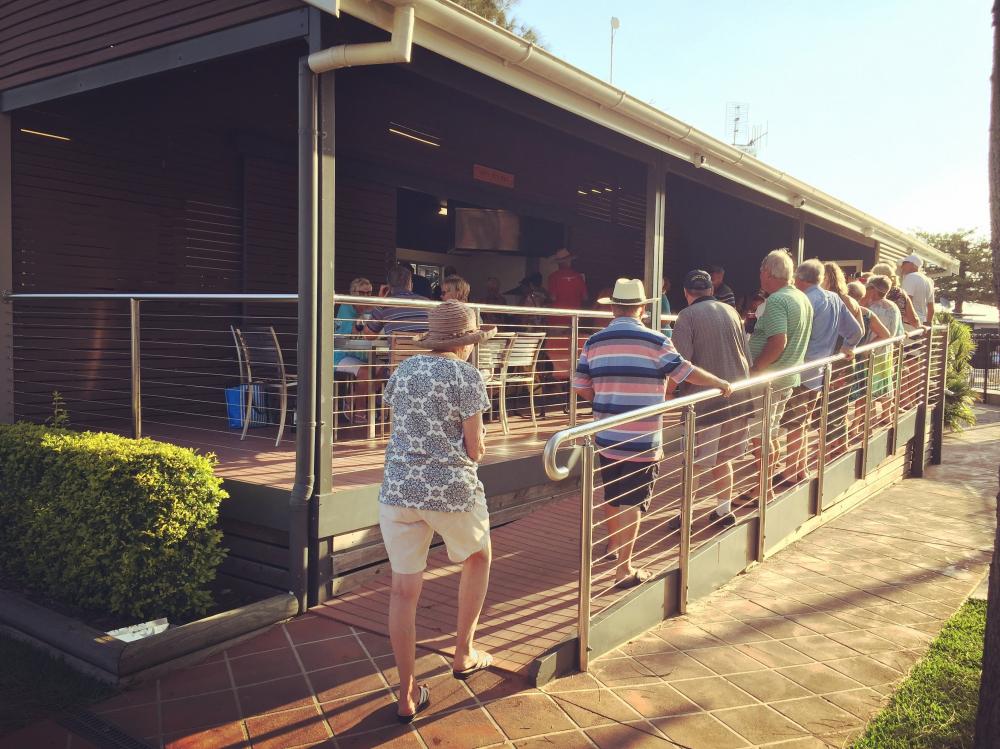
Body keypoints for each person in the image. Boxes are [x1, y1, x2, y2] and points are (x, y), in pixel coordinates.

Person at [378, 301, 497, 722]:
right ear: (466, 342)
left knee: (402, 591)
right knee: (478, 556)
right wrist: (478, 452)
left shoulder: (406, 369)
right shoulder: (467, 375)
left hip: (397, 491)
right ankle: (463, 652)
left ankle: (406, 695)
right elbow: (474, 446)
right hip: (449, 491)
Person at [573, 278, 733, 588]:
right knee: (634, 499)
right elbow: (684, 371)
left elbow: (581, 386)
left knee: (612, 493)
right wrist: (719, 383)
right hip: (642, 438)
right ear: (642, 309)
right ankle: (624, 567)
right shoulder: (656, 341)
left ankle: (614, 547)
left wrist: (605, 404)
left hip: (606, 435)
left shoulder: (594, 342)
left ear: (613, 309)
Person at [671, 270, 751, 528]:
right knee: (723, 459)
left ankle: (686, 517)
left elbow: (679, 364)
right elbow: (747, 359)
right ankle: (723, 510)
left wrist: (665, 395)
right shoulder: (732, 313)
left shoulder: (687, 316)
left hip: (703, 403)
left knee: (693, 463)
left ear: (686, 293)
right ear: (711, 290)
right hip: (739, 398)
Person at [782, 260, 862, 485]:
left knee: (795, 424)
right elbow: (856, 331)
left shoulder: (805, 300)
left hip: (802, 370)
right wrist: (848, 348)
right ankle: (800, 468)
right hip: (821, 371)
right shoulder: (835, 298)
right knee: (805, 422)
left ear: (799, 279)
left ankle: (790, 472)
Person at [747, 249, 813, 502]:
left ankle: (762, 489)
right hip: (786, 378)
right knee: (769, 434)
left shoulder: (776, 301)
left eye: (761, 271)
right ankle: (765, 487)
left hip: (769, 381)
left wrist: (756, 369)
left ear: (767, 272)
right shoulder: (801, 297)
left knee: (760, 437)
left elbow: (778, 341)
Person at [861, 276, 903, 426]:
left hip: (870, 352)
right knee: (886, 384)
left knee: (868, 387)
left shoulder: (871, 308)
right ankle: (887, 415)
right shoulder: (894, 307)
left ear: (872, 289)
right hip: (887, 352)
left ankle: (870, 420)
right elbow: (898, 332)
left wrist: (866, 348)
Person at [334, 277, 375, 423]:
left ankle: (351, 398)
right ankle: (359, 408)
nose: (366, 297)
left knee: (383, 370)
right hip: (340, 355)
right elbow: (353, 331)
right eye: (362, 293)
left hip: (362, 354)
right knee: (366, 372)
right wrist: (366, 312)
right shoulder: (346, 307)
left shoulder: (370, 309)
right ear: (353, 293)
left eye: (369, 293)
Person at [366, 264, 430, 337]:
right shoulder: (427, 303)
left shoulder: (384, 305)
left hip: (398, 348)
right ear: (410, 285)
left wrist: (380, 301)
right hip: (425, 348)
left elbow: (369, 335)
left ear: (389, 286)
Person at [870, 262, 921, 330]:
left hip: (873, 333)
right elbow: (913, 319)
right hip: (895, 333)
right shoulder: (901, 293)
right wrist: (920, 326)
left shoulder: (869, 293)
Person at [900, 253, 936, 326]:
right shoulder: (928, 281)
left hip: (910, 324)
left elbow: (906, 301)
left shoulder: (910, 277)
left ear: (913, 265)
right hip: (922, 325)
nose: (902, 266)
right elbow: (931, 309)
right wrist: (927, 328)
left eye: (905, 263)